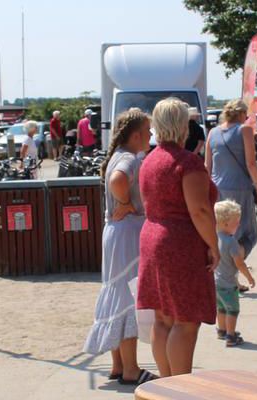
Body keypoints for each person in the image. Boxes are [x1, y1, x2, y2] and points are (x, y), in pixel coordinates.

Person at [137, 98, 219, 377]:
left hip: (152, 238)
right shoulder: (187, 162)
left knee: (163, 317)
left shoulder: (149, 160)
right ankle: (180, 388)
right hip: (180, 242)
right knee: (186, 320)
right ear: (183, 124)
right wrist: (214, 245)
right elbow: (199, 211)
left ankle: (164, 384)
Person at [83, 108, 158, 385]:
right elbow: (117, 180)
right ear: (136, 135)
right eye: (148, 131)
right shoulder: (129, 158)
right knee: (129, 297)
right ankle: (131, 369)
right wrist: (127, 204)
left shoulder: (118, 155)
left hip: (115, 232)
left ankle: (119, 365)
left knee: (117, 293)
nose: (151, 135)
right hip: (128, 232)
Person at [205, 100, 257, 261]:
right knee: (249, 234)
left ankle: (225, 273)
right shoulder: (245, 130)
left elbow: (207, 166)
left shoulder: (213, 133)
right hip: (240, 189)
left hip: (217, 190)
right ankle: (232, 268)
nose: (246, 119)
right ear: (240, 114)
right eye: (245, 115)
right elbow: (251, 164)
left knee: (222, 233)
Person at [213, 199, 255, 347]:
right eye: (236, 222)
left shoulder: (215, 237)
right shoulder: (231, 242)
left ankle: (222, 330)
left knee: (221, 307)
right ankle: (231, 336)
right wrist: (249, 277)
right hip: (229, 283)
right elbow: (239, 263)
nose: (238, 224)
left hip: (216, 282)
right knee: (232, 309)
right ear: (225, 224)